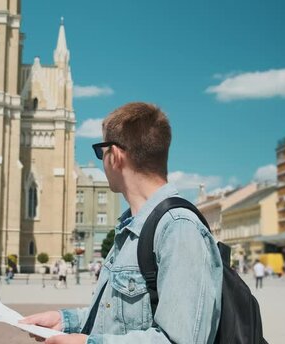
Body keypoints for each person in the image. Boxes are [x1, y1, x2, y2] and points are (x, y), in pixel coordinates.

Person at [20, 102, 223, 343]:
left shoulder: (178, 228)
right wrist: (65, 320)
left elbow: (180, 340)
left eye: (100, 152)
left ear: (115, 155)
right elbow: (118, 316)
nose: (101, 161)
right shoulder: (132, 227)